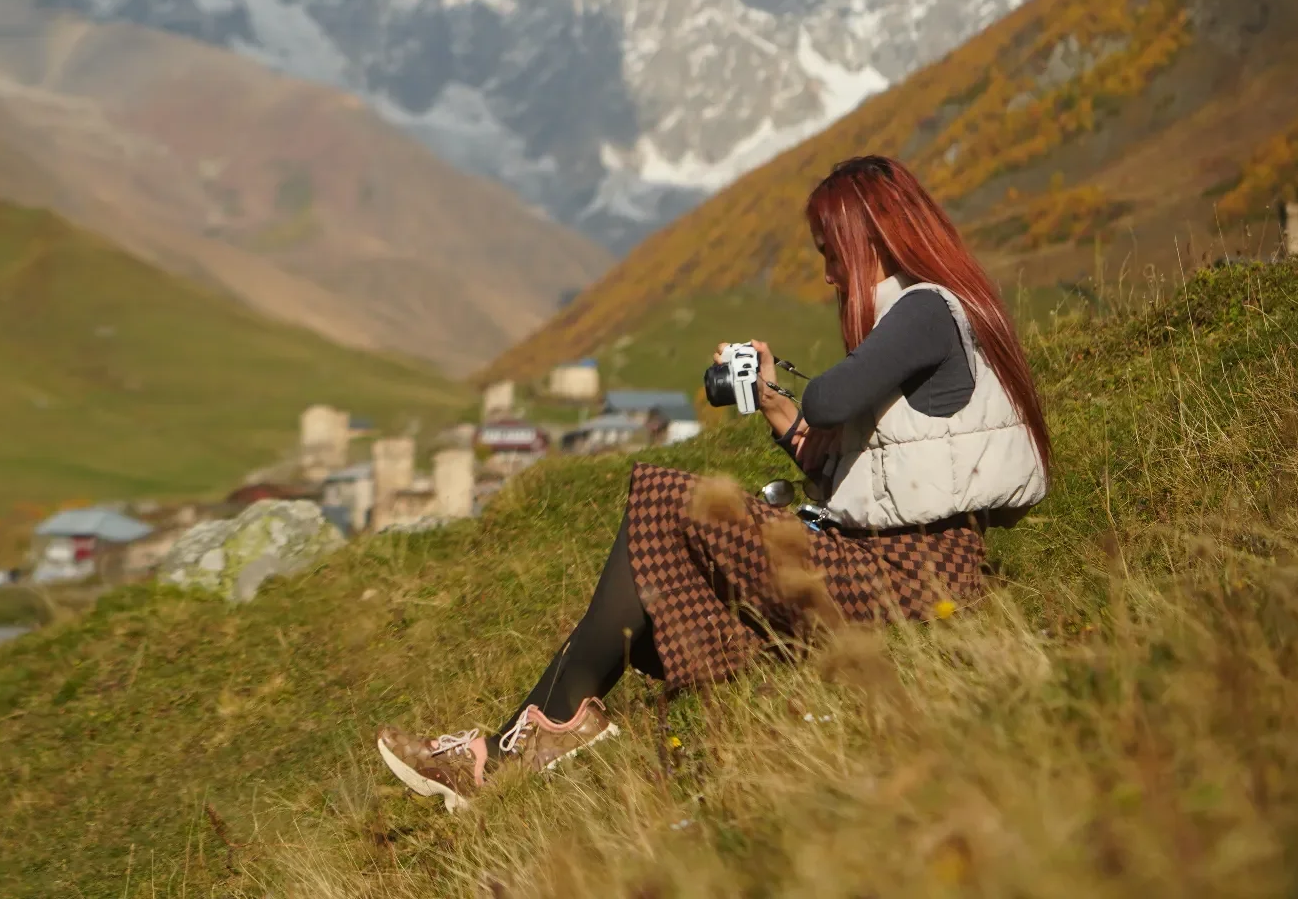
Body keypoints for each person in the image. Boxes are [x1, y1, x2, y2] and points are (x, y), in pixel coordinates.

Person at [375, 155, 1052, 812]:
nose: (827, 275)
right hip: (902, 565)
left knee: (671, 500)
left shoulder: (925, 308)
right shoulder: (923, 311)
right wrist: (776, 406)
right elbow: (855, 474)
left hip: (913, 575)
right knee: (649, 578)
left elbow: (832, 403)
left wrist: (807, 404)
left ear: (870, 238)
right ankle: (514, 746)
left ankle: (523, 744)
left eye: (830, 253)